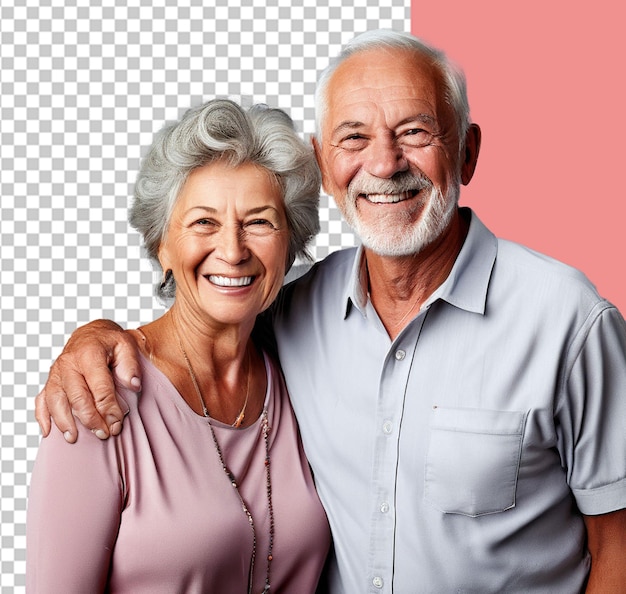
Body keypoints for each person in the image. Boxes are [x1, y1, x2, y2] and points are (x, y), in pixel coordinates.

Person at [35, 30, 626, 592]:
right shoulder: (278, 320)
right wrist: (94, 336)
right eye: (354, 138)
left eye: (415, 131)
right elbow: (204, 313)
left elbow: (619, 547)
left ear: (467, 152)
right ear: (325, 165)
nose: (386, 163)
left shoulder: (569, 322)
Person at [26, 98, 331, 592]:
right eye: (204, 223)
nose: (232, 251)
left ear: (289, 245)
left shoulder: (305, 370)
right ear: (161, 246)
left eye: (259, 222)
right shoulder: (98, 395)